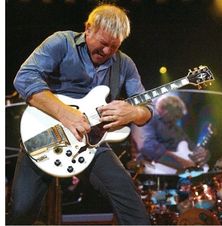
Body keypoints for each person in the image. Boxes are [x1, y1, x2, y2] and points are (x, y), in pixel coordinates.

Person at [6, 4, 153, 225]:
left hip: (90, 143)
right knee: (22, 212)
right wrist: (65, 114)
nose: (106, 53)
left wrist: (134, 112)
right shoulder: (61, 42)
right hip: (45, 134)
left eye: (114, 47)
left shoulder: (124, 64)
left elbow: (147, 111)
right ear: (88, 29)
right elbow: (25, 78)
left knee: (132, 204)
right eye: (103, 44)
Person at [131, 94, 210, 175]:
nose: (177, 119)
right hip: (153, 167)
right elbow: (147, 147)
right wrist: (180, 161)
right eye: (175, 116)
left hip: (179, 169)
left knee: (205, 167)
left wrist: (203, 153)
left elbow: (190, 145)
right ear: (165, 110)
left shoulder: (175, 127)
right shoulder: (149, 120)